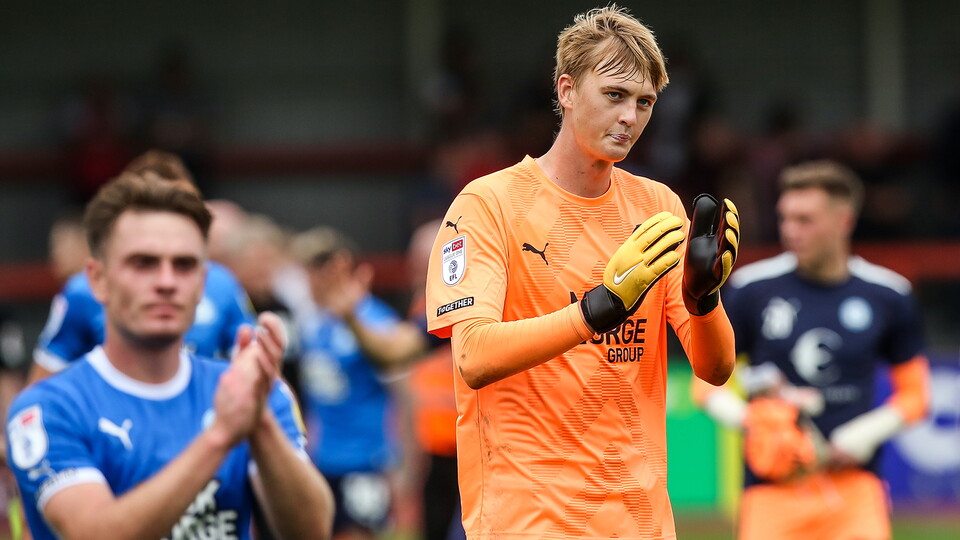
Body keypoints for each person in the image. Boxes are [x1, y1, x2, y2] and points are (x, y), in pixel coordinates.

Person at [425, 6, 741, 539]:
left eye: (644, 103)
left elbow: (715, 369)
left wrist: (702, 300)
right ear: (567, 91)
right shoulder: (489, 204)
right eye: (614, 95)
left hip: (641, 524)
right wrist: (597, 310)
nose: (630, 117)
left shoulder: (657, 206)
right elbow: (472, 356)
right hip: (528, 522)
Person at [6, 172, 333, 540]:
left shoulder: (251, 394)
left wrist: (260, 425)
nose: (166, 281)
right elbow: (96, 534)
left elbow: (311, 532)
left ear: (202, 282)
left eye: (184, 264)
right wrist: (219, 437)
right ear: (98, 280)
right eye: (143, 263)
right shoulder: (48, 409)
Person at [693, 160, 930, 539]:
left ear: (844, 221)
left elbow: (916, 395)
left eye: (805, 220)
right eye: (786, 218)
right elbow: (705, 385)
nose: (790, 231)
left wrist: (864, 433)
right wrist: (755, 421)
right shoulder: (752, 290)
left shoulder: (889, 294)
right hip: (772, 490)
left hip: (855, 490)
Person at [29, 150, 255, 383]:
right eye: (143, 264)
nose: (166, 283)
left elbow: (261, 379)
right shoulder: (82, 291)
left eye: (181, 209)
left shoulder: (223, 284)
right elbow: (41, 389)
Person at [292, 227, 425, 540]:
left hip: (366, 462)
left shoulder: (375, 321)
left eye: (317, 271)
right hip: (323, 462)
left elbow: (404, 395)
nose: (310, 282)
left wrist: (408, 465)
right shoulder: (314, 325)